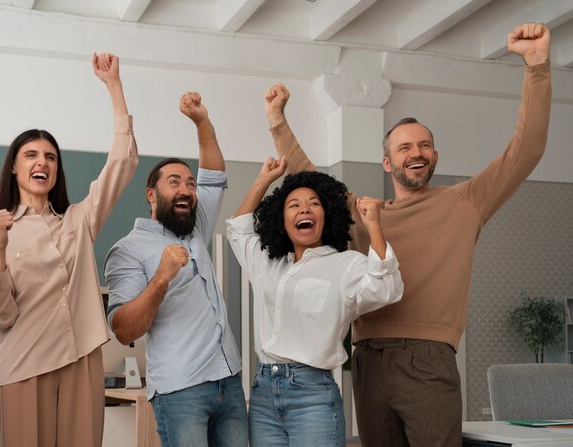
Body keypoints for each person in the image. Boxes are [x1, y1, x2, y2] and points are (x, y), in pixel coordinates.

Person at [263, 23, 552, 447]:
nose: (415, 152)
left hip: (429, 360)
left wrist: (538, 67)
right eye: (404, 147)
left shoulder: (465, 202)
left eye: (424, 146)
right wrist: (277, 123)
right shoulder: (365, 214)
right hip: (368, 360)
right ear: (386, 162)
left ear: (434, 156)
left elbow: (526, 150)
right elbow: (310, 177)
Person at [0, 52, 138, 447]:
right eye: (31, 155)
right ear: (14, 168)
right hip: (25, 364)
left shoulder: (79, 220)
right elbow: (0, 315)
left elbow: (123, 161)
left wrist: (113, 85)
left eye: (50, 157)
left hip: (81, 359)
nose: (42, 162)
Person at [104, 92, 248, 447]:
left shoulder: (196, 226)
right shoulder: (128, 250)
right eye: (174, 182)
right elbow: (123, 328)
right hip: (180, 390)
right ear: (151, 195)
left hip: (229, 381)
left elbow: (213, 173)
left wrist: (201, 121)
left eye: (188, 183)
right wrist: (162, 277)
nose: (186, 188)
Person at [226, 157, 403, 446]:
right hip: (262, 396)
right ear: (282, 219)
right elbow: (239, 229)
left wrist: (373, 226)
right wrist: (263, 180)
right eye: (293, 205)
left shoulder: (345, 264)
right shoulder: (268, 264)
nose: (304, 209)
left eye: (314, 203)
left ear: (327, 214)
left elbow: (389, 288)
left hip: (313, 396)